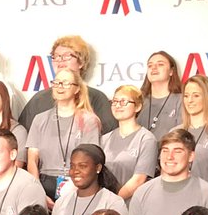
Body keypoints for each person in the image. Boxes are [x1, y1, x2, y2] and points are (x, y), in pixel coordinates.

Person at [26, 69, 102, 202]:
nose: (60, 87)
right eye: (56, 83)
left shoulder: (89, 120)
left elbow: (91, 159)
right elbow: (32, 160)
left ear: (77, 89)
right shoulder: (40, 119)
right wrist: (38, 191)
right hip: (44, 184)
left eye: (66, 83)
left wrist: (71, 188)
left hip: (77, 184)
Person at [17, 35, 118, 132]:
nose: (60, 61)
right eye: (56, 56)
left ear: (81, 62)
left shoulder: (97, 98)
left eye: (67, 56)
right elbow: (23, 136)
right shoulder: (39, 99)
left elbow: (109, 137)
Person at [50, 145, 125, 215]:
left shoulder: (113, 203)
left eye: (83, 166)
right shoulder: (61, 202)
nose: (75, 171)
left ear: (98, 168)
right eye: (72, 166)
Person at [103, 85, 157, 199]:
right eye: (115, 101)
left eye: (123, 102)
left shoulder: (146, 139)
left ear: (137, 106)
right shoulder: (104, 139)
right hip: (104, 204)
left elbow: (138, 180)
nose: (117, 105)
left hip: (129, 204)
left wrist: (115, 201)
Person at [137, 51, 184, 135]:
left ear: (171, 71)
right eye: (150, 65)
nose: (154, 68)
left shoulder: (182, 100)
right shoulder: (138, 100)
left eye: (160, 64)